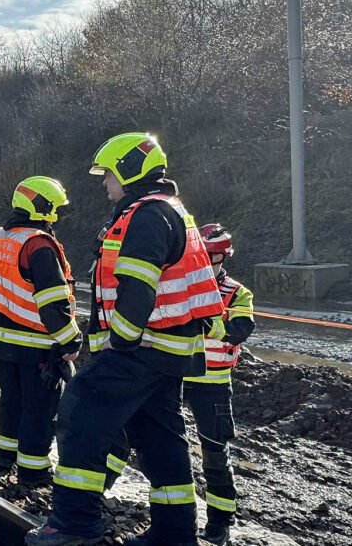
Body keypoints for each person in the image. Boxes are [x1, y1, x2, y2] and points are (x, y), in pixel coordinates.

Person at [27, 133, 224, 546]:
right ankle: (175, 535)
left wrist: (122, 338)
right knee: (158, 437)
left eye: (109, 173)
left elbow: (138, 285)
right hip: (168, 348)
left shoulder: (148, 215)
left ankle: (75, 523)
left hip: (144, 346)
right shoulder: (165, 210)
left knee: (81, 412)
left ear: (131, 170)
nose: (104, 183)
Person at [0, 177, 81, 486]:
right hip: (37, 344)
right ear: (43, 208)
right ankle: (33, 473)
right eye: (54, 210)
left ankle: (5, 457)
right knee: (39, 408)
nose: (56, 216)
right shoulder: (38, 244)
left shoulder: (0, 239)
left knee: (11, 400)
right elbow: (52, 301)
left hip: (3, 341)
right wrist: (69, 339)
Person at [184, 223, 255, 546]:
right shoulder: (181, 283)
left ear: (221, 257)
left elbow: (239, 329)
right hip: (174, 376)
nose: (202, 263)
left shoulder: (237, 293)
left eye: (209, 257)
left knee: (214, 452)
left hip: (212, 383)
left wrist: (205, 320)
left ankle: (220, 522)